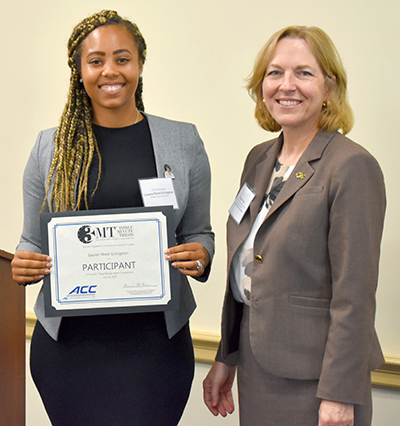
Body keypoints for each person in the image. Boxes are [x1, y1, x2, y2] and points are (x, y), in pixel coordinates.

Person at [11, 10, 214, 426]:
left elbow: (199, 231)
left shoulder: (183, 140)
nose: (110, 71)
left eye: (123, 58)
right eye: (96, 60)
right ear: (79, 70)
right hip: (70, 348)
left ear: (140, 64)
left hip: (155, 346)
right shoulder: (49, 148)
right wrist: (24, 261)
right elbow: (32, 239)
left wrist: (202, 255)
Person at [203, 26, 385, 426]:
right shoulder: (259, 159)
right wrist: (225, 356)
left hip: (317, 379)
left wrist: (339, 393)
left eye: (304, 72)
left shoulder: (350, 166)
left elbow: (354, 294)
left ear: (330, 88)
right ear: (260, 86)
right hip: (257, 367)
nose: (286, 85)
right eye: (274, 73)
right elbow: (246, 264)